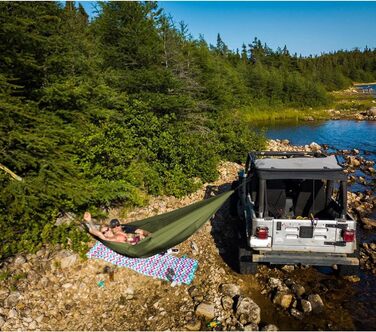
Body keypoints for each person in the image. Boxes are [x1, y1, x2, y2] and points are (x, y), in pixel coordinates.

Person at [83, 212, 149, 245]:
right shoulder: (107, 239)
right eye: (104, 232)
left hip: (139, 240)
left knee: (141, 236)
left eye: (107, 230)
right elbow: (96, 232)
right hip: (134, 245)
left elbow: (140, 233)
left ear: (110, 229)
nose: (107, 232)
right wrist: (89, 221)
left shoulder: (123, 230)